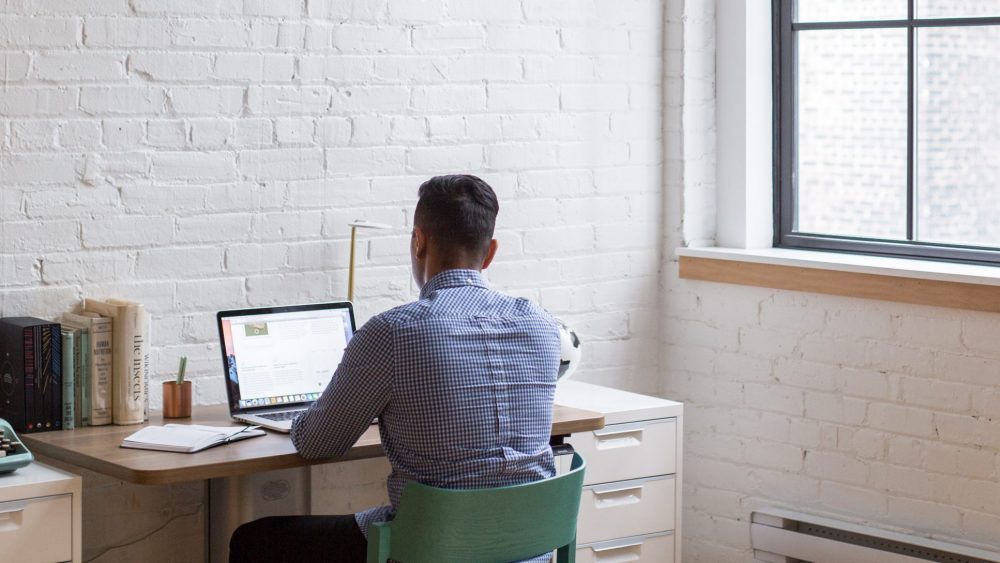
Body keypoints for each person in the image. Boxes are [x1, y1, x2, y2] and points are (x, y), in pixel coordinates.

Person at [229, 174, 561, 563]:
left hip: (430, 549)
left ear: (418, 242)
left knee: (254, 540)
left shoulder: (394, 332)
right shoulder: (542, 324)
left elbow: (319, 443)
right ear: (490, 253)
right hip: (529, 548)